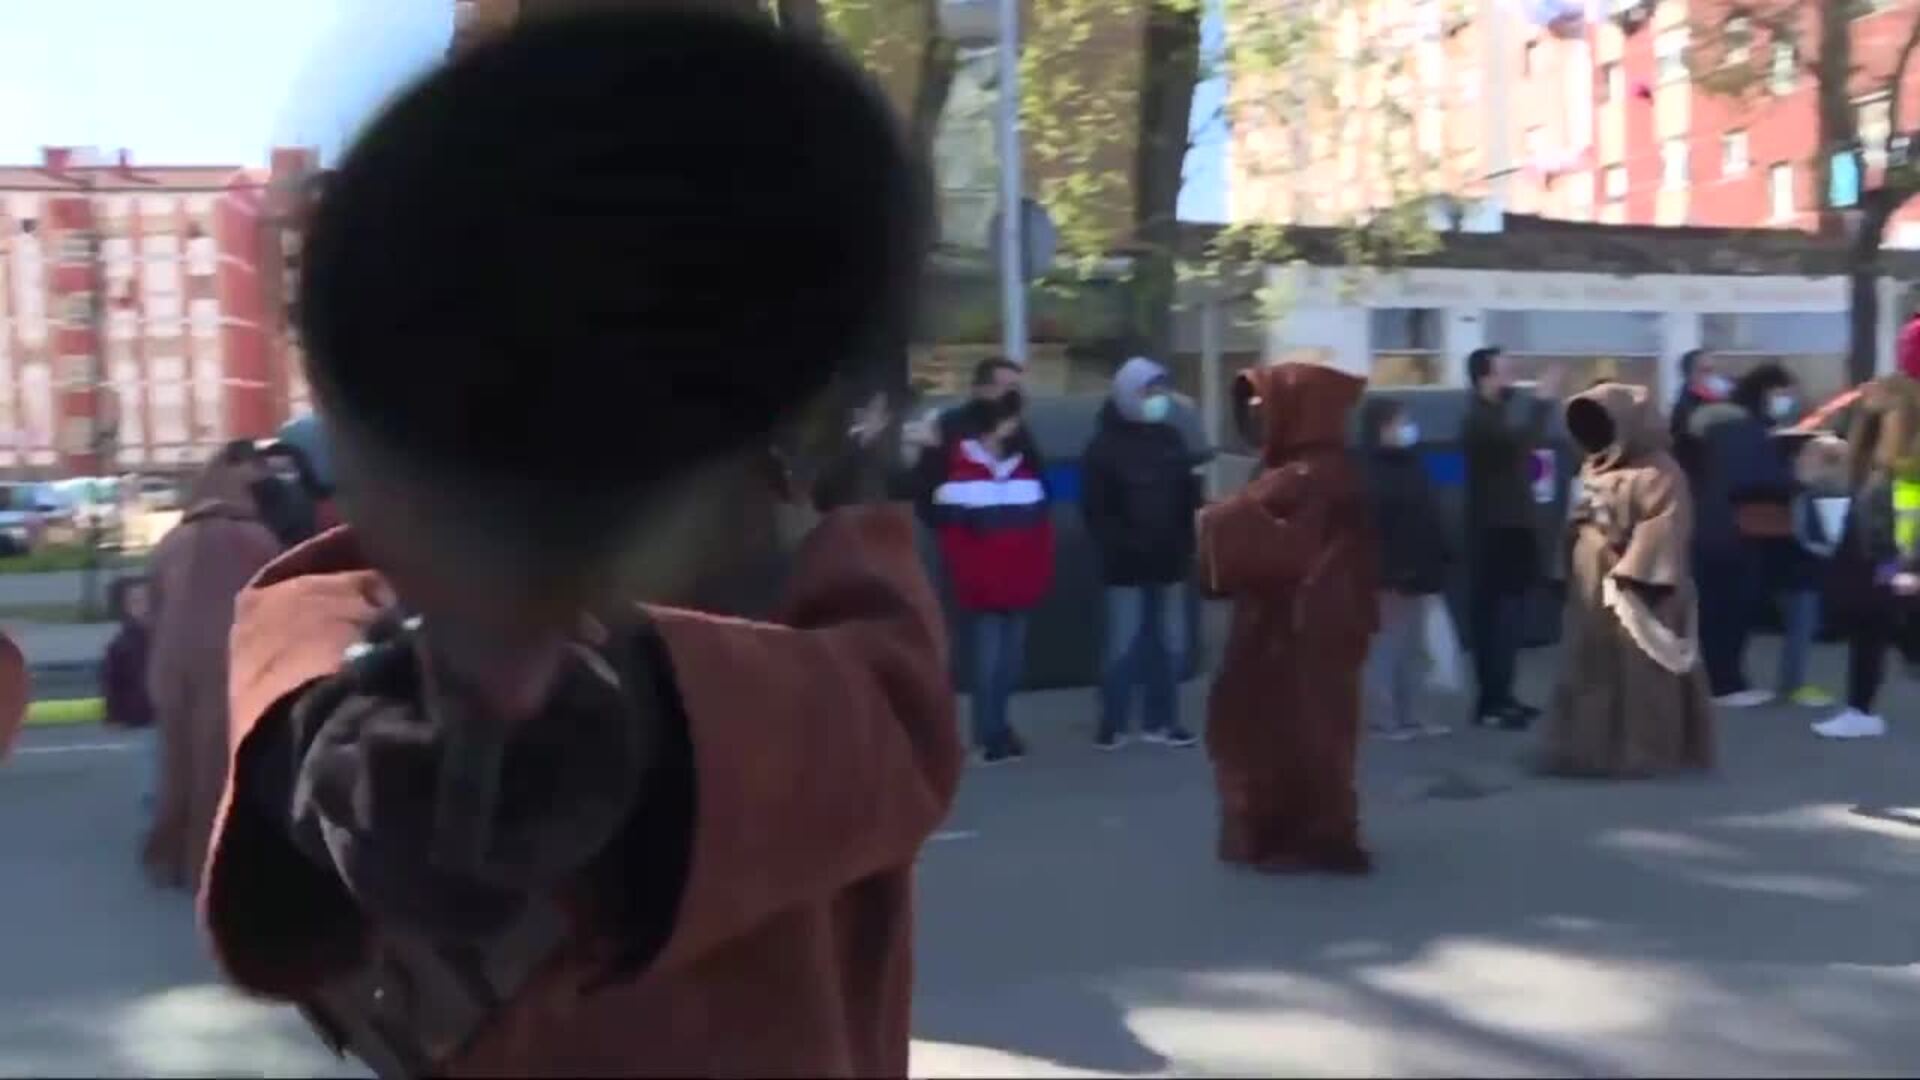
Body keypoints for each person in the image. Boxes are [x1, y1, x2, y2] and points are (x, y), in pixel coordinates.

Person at [199, 11, 960, 1078]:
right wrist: (340, 739)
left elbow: (889, 724)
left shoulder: (808, 515)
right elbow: (303, 624)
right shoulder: (446, 487)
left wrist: (647, 719)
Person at [1198, 362, 1377, 875]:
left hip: (1306, 631)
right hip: (1281, 627)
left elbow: (1297, 547)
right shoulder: (1292, 468)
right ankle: (1283, 827)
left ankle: (1315, 834)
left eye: (1264, 403)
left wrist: (1224, 521)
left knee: (1308, 731)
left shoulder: (1320, 475)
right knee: (1274, 729)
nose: (1256, 414)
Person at [1537, 383, 1715, 777]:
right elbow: (1573, 519)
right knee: (1591, 665)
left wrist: (1629, 570)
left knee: (1642, 673)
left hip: (1636, 588)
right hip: (1589, 584)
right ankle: (1586, 750)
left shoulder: (1661, 472)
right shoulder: (1592, 466)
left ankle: (1645, 753)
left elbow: (1665, 527)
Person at [142, 440, 283, 890]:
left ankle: (167, 854)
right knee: (216, 761)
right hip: (226, 654)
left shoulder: (174, 540)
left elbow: (150, 609)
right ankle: (206, 861)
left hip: (170, 657)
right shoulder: (257, 538)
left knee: (176, 757)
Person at [1080, 356, 1201, 750]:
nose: (1158, 399)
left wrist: (1186, 542)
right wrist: (1125, 544)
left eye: (1160, 391)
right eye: (1150, 391)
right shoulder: (1103, 446)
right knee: (1123, 643)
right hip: (1125, 565)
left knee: (1169, 643)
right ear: (1129, 394)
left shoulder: (1171, 438)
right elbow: (1096, 512)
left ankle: (1162, 721)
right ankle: (1112, 722)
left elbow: (1187, 497)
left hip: (1169, 560)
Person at [934, 389, 1054, 764]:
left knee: (1010, 666)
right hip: (985, 594)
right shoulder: (959, 478)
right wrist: (974, 584)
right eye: (1007, 422)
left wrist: (1036, 579)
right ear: (991, 429)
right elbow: (954, 547)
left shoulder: (1025, 474)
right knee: (987, 667)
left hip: (1019, 591)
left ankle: (1000, 728)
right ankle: (988, 736)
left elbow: (1041, 536)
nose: (1015, 428)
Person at [1817, 314, 1920, 739]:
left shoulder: (1904, 410)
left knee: (1876, 620)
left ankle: (1860, 710)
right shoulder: (1894, 403)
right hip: (1881, 541)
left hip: (1891, 546)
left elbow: (1902, 484)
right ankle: (1860, 710)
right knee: (1881, 623)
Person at [1460, 347, 1561, 730]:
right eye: (1506, 369)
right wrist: (1542, 401)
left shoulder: (1498, 413)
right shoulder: (1479, 421)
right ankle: (1490, 703)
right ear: (1485, 375)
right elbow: (1519, 444)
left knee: (1512, 618)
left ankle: (1504, 696)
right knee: (1496, 620)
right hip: (1494, 533)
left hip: (1515, 529)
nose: (1513, 375)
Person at [1686, 367, 1793, 707]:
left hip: (1703, 528)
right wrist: (1796, 478)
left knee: (1711, 610)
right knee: (1732, 610)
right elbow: (1761, 480)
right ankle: (1727, 684)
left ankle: (1715, 680)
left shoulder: (1701, 430)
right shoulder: (1747, 431)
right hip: (1737, 530)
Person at [1358, 397, 1453, 741]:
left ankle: (1411, 715)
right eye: (1400, 422)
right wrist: (1389, 570)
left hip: (1420, 568)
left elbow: (1427, 514)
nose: (1407, 429)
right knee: (1387, 647)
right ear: (1383, 428)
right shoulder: (1369, 470)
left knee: (1414, 647)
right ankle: (1384, 719)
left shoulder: (1412, 463)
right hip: (1389, 572)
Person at [100, 576, 157, 805]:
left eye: (146, 599)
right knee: (150, 760)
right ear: (125, 607)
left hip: (171, 710)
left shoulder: (168, 635)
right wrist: (113, 714)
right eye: (135, 601)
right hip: (143, 714)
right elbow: (112, 682)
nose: (142, 606)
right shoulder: (121, 643)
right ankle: (153, 802)